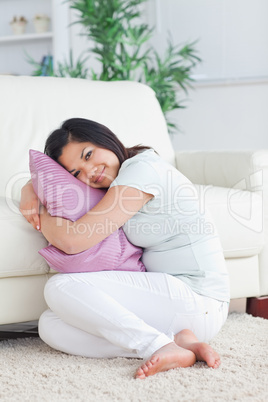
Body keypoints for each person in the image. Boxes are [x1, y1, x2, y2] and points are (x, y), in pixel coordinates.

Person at [20, 118, 230, 379]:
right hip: (170, 308)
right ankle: (178, 344)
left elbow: (73, 241)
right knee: (50, 325)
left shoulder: (141, 170)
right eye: (76, 173)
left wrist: (39, 209)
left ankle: (158, 346)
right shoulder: (119, 181)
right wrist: (31, 186)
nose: (89, 172)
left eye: (88, 155)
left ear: (105, 139)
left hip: (198, 299)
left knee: (60, 287)